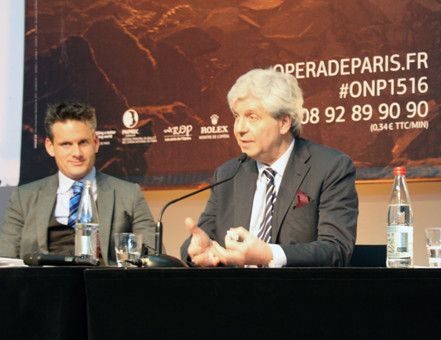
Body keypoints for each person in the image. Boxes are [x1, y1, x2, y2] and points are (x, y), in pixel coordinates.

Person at [180, 68, 358, 267]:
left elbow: (336, 250)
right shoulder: (228, 174)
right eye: (237, 116)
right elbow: (202, 238)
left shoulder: (330, 167)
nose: (240, 128)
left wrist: (268, 254)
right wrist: (195, 251)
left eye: (252, 117)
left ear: (283, 122)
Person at [0, 102, 156, 265]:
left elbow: (154, 259)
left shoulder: (129, 194)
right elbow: (5, 261)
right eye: (66, 144)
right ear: (50, 147)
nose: (77, 153)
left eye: (83, 142)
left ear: (95, 143)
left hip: (102, 287)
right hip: (42, 287)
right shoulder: (23, 197)